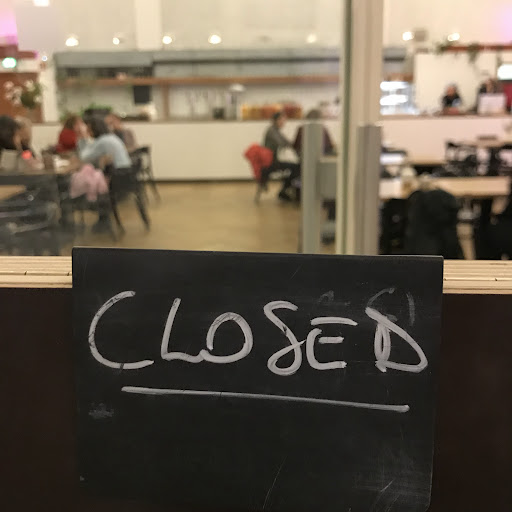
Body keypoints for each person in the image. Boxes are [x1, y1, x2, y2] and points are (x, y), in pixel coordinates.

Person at [262, 111, 300, 201]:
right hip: (270, 163)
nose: (284, 122)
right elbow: (282, 143)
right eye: (283, 120)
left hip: (272, 161)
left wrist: (293, 145)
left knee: (296, 167)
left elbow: (286, 142)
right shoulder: (272, 131)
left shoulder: (275, 130)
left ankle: (286, 190)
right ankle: (284, 191)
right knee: (297, 168)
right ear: (277, 120)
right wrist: (295, 146)